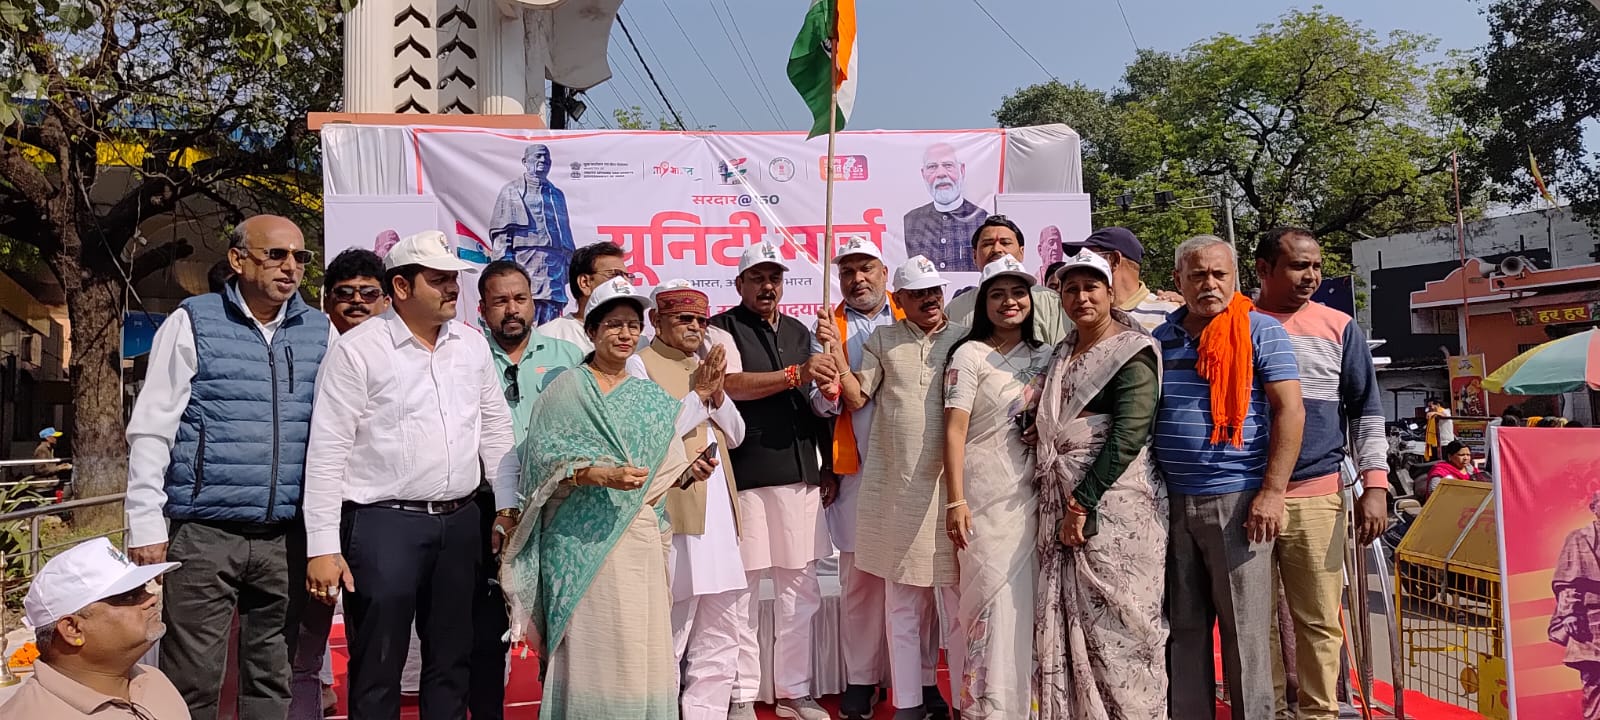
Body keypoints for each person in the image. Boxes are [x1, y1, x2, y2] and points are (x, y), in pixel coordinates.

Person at [302, 230, 519, 720]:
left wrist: (506, 507)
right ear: (401, 287)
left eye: (453, 278)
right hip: (383, 524)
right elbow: (328, 450)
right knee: (378, 664)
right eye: (438, 279)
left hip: (462, 522)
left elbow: (495, 431)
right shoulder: (358, 350)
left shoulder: (471, 346)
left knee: (452, 661)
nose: (452, 288)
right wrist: (322, 545)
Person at [124, 214, 332, 719]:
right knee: (191, 679)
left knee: (272, 679)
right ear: (238, 259)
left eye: (300, 257)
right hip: (204, 533)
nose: (291, 267)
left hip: (286, 537)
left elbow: (334, 436)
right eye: (276, 254)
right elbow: (153, 425)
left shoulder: (320, 330)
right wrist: (145, 521)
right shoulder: (193, 320)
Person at [500, 277, 716, 719]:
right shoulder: (566, 391)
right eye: (614, 325)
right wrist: (594, 474)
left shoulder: (652, 400)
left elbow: (662, 470)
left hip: (636, 543)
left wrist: (687, 473)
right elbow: (541, 466)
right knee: (590, 652)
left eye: (633, 326)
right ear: (591, 331)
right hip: (578, 544)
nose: (625, 334)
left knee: (638, 649)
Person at [1152, 235, 1305, 720]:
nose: (1210, 284)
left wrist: (1272, 492)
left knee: (1246, 635)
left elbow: (1290, 411)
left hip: (1239, 502)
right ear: (1178, 280)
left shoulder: (1261, 331)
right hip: (1170, 501)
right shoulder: (1159, 338)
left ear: (1235, 277)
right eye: (1198, 275)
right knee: (1183, 629)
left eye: (1219, 274)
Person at [1253, 227, 1391, 720]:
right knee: (1255, 624)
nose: (1311, 276)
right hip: (1244, 497)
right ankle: (1266, 711)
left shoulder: (1340, 327)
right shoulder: (1232, 323)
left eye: (1316, 266)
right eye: (1298, 266)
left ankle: (1319, 713)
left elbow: (1366, 411)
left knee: (1318, 621)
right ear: (1264, 269)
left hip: (1317, 495)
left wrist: (1376, 485)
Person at [1029, 250, 1169, 719]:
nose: (1081, 297)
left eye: (1091, 287)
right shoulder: (1063, 352)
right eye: (1071, 289)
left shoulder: (1131, 351)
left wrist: (1081, 503)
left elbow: (1130, 434)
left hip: (1115, 509)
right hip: (1064, 501)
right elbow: (1057, 417)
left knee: (1123, 631)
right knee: (1076, 629)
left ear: (1110, 293)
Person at [709, 241, 839, 720]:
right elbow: (729, 385)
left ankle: (793, 691)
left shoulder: (802, 331)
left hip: (801, 474)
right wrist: (795, 373)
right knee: (741, 592)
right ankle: (741, 693)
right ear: (739, 284)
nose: (768, 286)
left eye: (775, 278)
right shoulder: (721, 329)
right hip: (747, 475)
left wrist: (827, 461)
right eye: (758, 278)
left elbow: (815, 401)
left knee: (800, 591)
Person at [834, 255, 963, 720]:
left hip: (955, 492)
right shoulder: (884, 340)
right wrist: (835, 356)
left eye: (935, 291)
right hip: (900, 493)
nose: (930, 299)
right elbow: (856, 397)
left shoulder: (966, 339)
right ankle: (907, 704)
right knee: (904, 604)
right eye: (919, 293)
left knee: (958, 605)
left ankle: (964, 703)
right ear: (901, 299)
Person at [941, 256, 1056, 718]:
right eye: (998, 294)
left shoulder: (1049, 356)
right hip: (983, 497)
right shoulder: (968, 356)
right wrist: (956, 499)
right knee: (988, 596)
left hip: (1036, 497)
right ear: (982, 303)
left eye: (1018, 293)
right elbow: (954, 431)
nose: (1010, 302)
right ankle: (986, 708)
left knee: (1030, 603)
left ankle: (1030, 707)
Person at [628, 279, 747, 720]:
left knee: (722, 627)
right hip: (676, 514)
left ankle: (706, 713)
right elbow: (656, 433)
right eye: (684, 318)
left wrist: (716, 393)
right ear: (656, 321)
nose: (696, 327)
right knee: (671, 629)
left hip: (719, 516)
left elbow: (737, 435)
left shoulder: (703, 365)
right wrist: (699, 394)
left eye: (701, 319)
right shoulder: (639, 365)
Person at [284, 247, 392, 720]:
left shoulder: (408, 356)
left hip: (377, 521)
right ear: (326, 301)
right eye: (344, 293)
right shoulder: (307, 348)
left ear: (387, 300)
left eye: (368, 293)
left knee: (376, 644)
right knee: (300, 648)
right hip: (307, 517)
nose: (357, 302)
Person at [476, 260, 584, 718]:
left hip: (557, 505)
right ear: (482, 309)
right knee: (485, 631)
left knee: (560, 625)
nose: (512, 309)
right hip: (487, 506)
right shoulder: (468, 356)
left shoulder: (568, 357)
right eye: (500, 301)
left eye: (520, 299)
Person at [811, 236, 899, 720]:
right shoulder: (829, 327)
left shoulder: (910, 312)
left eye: (866, 269)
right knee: (860, 580)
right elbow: (821, 404)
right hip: (857, 465)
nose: (857, 279)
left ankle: (916, 679)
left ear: (884, 272)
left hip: (911, 468)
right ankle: (862, 679)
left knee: (911, 581)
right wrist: (828, 387)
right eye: (848, 271)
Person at [2, 538, 186, 719]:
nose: (152, 598)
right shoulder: (29, 714)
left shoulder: (154, 681)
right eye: (129, 597)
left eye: (143, 589)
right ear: (73, 629)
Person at [944, 215, 1068, 343]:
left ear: (1022, 252)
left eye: (1005, 243)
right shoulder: (956, 309)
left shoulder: (1050, 302)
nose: (997, 249)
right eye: (988, 244)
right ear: (974, 256)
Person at [489, 144, 576, 325]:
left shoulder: (557, 194)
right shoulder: (511, 191)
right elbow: (502, 238)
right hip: (525, 259)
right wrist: (505, 270)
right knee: (524, 307)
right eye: (538, 156)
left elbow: (565, 235)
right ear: (525, 161)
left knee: (552, 312)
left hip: (554, 263)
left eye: (546, 158)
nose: (543, 160)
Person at [1067, 227, 1181, 332]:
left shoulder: (1167, 314)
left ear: (1114, 260)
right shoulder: (1085, 313)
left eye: (1090, 257)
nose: (1081, 264)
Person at [902, 143, 989, 272]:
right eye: (932, 167)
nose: (941, 174)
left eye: (948, 165)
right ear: (923, 174)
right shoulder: (911, 220)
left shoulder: (983, 219)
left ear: (962, 170)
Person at [1552, 491, 1600, 720]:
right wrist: (1568, 613)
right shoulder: (1579, 537)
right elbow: (1568, 582)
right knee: (1594, 680)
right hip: (1590, 618)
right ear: (1594, 508)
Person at [537, 241, 632, 351]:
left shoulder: (637, 337)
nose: (624, 283)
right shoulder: (549, 336)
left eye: (627, 277)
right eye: (615, 275)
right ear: (585, 283)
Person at [322, 248, 390, 335]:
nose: (357, 299)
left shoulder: (402, 343)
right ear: (326, 303)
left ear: (386, 303)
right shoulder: (314, 342)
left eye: (369, 293)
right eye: (344, 293)